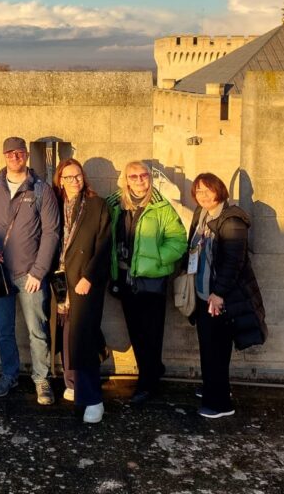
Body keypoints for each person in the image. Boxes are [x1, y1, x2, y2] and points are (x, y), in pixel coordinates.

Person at [0, 136, 61, 404]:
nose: (15, 157)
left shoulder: (41, 190)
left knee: (37, 329)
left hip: (30, 275)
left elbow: (52, 233)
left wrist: (39, 271)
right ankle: (9, 374)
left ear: (26, 155)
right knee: (3, 329)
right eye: (10, 153)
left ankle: (41, 379)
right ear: (3, 156)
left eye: (20, 152)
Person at [107, 160, 187, 406]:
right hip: (125, 277)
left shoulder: (161, 207)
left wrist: (156, 260)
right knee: (136, 332)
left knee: (151, 333)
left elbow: (178, 241)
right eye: (134, 176)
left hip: (151, 280)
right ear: (126, 179)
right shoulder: (114, 204)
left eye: (144, 175)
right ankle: (152, 371)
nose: (140, 180)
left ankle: (147, 383)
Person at [187, 172, 267, 419]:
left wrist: (218, 294)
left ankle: (220, 403)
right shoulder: (202, 215)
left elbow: (233, 262)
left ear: (219, 191)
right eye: (198, 191)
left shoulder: (231, 220)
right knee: (207, 346)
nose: (203, 195)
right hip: (203, 293)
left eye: (207, 190)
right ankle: (212, 387)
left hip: (219, 298)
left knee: (217, 349)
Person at [50, 159, 111, 423]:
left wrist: (89, 277)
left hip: (85, 281)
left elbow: (104, 245)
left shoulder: (97, 205)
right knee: (65, 332)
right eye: (68, 177)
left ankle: (93, 399)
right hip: (61, 279)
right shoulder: (55, 206)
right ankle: (73, 384)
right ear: (60, 181)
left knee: (83, 338)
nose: (74, 181)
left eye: (78, 176)